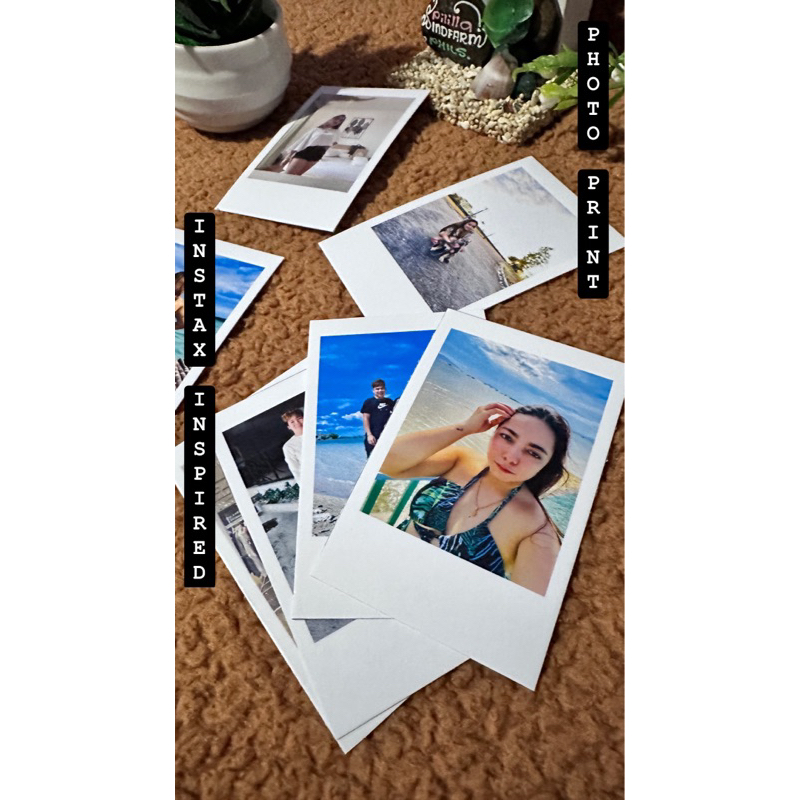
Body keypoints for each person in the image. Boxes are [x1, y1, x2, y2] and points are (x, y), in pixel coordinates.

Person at [381, 403, 570, 596]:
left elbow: (524, 607)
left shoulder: (535, 531)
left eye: (533, 453)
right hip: (384, 566)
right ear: (495, 432)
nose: (511, 457)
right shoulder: (461, 461)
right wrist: (465, 428)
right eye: (507, 437)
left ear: (547, 465)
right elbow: (384, 461)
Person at [276, 114, 347, 176]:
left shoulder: (336, 132)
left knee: (297, 175)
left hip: (318, 153)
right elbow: (301, 142)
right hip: (305, 151)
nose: (337, 121)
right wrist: (288, 157)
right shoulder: (316, 128)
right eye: (336, 118)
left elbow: (332, 144)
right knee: (289, 174)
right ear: (330, 117)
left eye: (340, 120)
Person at [360, 380, 396, 457]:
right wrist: (369, 435)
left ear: (385, 389)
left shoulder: (389, 402)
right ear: (373, 390)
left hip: (386, 435)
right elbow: (365, 418)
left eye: (382, 388)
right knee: (372, 458)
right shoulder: (369, 402)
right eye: (377, 389)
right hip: (373, 436)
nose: (380, 391)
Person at [281, 409, 304, 481]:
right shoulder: (289, 446)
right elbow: (296, 470)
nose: (297, 422)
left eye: (299, 418)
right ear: (289, 427)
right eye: (292, 422)